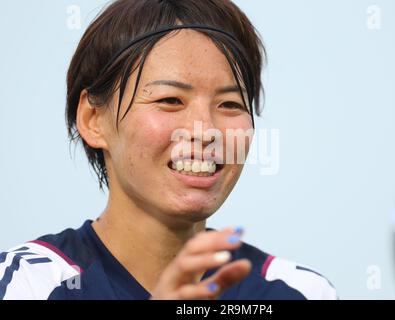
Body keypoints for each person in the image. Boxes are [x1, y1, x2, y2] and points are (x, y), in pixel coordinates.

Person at [0, 0, 337, 300]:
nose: (205, 131)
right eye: (170, 100)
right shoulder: (27, 284)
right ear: (93, 119)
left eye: (230, 103)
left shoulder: (297, 291)